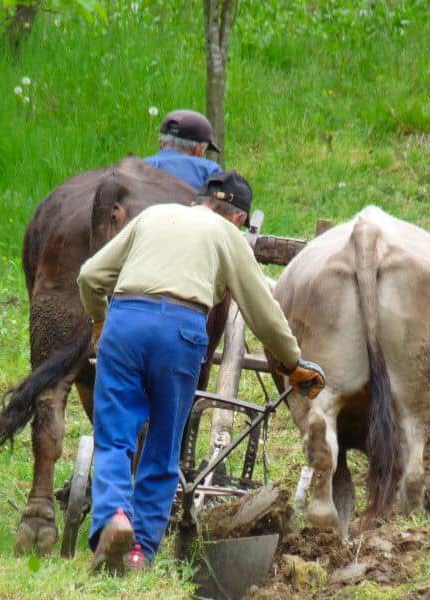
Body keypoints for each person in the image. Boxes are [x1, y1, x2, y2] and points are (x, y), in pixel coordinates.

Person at [76, 170, 326, 575]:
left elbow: (89, 276)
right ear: (239, 219)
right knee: (162, 445)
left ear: (199, 199)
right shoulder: (227, 236)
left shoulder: (153, 216)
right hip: (180, 330)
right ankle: (139, 552)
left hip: (126, 320)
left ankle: (114, 518)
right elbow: (263, 311)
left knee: (115, 435)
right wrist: (293, 362)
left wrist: (102, 321)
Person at [144, 109, 223, 190]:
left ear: (160, 144)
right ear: (198, 150)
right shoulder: (209, 170)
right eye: (204, 151)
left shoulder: (139, 166)